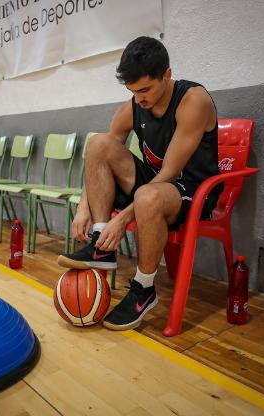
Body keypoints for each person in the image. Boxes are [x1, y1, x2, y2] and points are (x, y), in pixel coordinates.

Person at [57, 36, 223, 330]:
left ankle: (144, 289)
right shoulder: (134, 105)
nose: (139, 98)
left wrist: (122, 219)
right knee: (98, 143)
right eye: (132, 91)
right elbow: (98, 163)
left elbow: (169, 173)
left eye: (145, 89)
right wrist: (84, 208)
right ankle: (101, 247)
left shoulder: (193, 101)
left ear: (167, 75)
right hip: (154, 186)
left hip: (193, 191)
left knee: (147, 196)